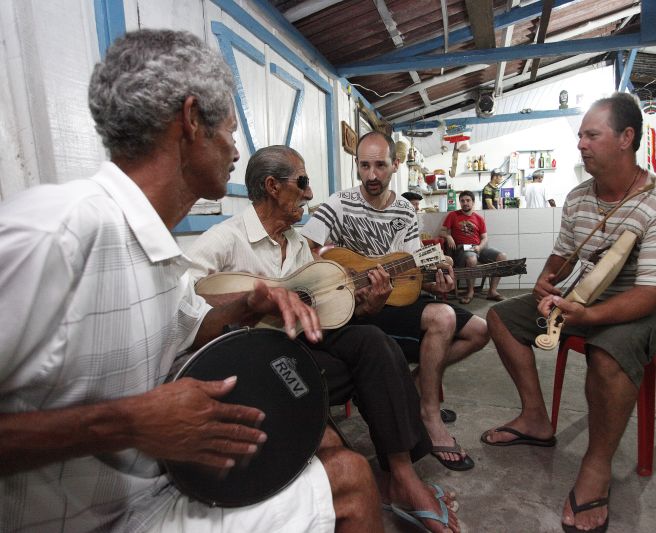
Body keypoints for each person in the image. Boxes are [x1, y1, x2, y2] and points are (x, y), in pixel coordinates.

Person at [0, 29, 383, 533]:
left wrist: (248, 302)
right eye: (228, 130)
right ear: (190, 121)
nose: (234, 149)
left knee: (332, 451)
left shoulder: (155, 246)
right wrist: (127, 422)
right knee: (351, 482)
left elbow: (192, 329)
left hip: (148, 494)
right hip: (85, 521)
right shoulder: (54, 233)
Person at [187, 145, 458, 533]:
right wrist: (252, 301)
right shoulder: (228, 237)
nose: (310, 193)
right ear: (272, 187)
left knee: (373, 341)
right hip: (252, 364)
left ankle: (401, 474)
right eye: (302, 182)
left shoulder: (297, 244)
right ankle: (364, 478)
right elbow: (186, 295)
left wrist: (368, 305)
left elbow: (320, 311)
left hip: (298, 344)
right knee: (309, 380)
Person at [480, 92, 656, 533]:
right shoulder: (580, 197)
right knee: (500, 318)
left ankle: (596, 467)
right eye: (580, 135)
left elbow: (650, 296)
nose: (581, 144)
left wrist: (586, 317)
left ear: (626, 138)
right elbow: (562, 255)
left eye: (592, 135)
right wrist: (547, 281)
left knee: (609, 350)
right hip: (588, 298)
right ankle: (536, 419)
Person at [302, 132, 490, 472]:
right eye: (364, 166)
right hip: (358, 308)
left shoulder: (405, 210)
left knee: (479, 329)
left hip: (396, 297)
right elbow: (307, 248)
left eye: (380, 166)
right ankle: (429, 416)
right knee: (443, 319)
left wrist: (440, 270)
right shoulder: (340, 203)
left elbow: (413, 263)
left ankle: (413, 392)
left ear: (395, 165)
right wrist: (331, 259)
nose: (372, 175)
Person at [441, 190, 508, 304]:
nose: (465, 203)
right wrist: (448, 236)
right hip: (462, 249)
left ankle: (492, 291)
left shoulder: (479, 218)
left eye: (468, 200)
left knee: (502, 256)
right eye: (462, 201)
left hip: (478, 248)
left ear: (473, 202)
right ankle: (470, 292)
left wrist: (480, 248)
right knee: (472, 259)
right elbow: (442, 232)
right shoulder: (453, 215)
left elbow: (485, 238)